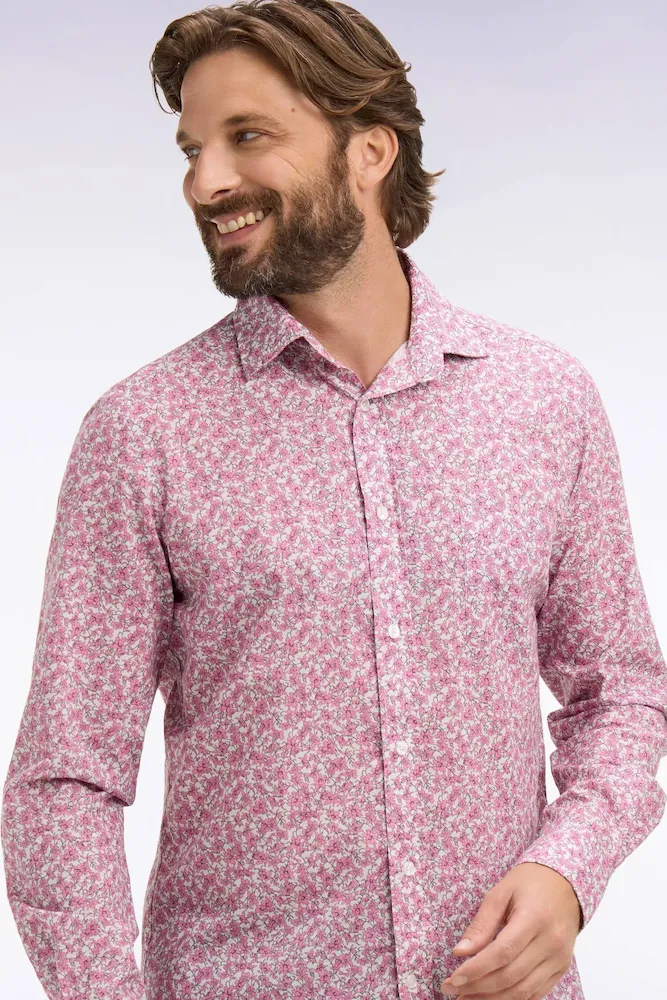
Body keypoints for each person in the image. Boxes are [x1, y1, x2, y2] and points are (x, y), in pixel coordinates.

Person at [3, 2, 666, 999]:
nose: (204, 182)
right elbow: (65, 781)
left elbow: (619, 694)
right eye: (191, 149)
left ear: (370, 151)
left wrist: (567, 869)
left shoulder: (544, 402)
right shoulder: (144, 432)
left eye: (247, 136)